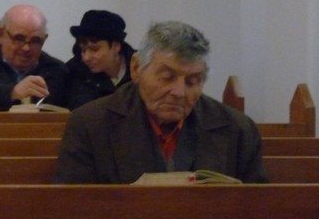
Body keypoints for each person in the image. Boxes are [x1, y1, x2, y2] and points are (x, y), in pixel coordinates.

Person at [55, 20, 268, 184]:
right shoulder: (89, 124)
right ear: (136, 68)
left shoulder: (238, 129)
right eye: (167, 77)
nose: (179, 92)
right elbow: (74, 209)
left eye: (192, 81)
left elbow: (257, 210)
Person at [66, 9, 136, 109]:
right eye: (83, 50)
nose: (86, 58)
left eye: (95, 50)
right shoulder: (73, 71)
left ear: (116, 47)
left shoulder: (140, 69)